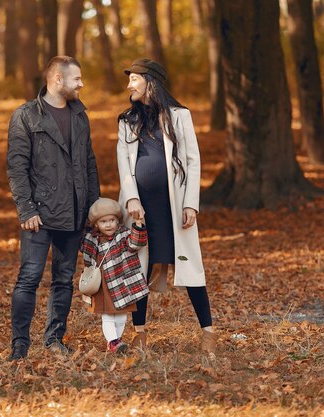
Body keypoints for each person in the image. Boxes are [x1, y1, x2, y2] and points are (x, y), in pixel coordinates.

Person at [116, 58, 218, 356]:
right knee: (139, 269)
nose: (129, 85)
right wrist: (132, 198)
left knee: (191, 268)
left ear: (150, 82)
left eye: (133, 79)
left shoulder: (179, 116)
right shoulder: (127, 121)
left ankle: (208, 334)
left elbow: (192, 161)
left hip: (174, 206)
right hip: (140, 209)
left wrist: (191, 204)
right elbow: (124, 164)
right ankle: (140, 334)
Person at [6, 56, 100, 361]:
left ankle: (54, 338)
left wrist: (93, 208)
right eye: (77, 79)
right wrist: (26, 209)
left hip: (74, 212)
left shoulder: (80, 116)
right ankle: (20, 344)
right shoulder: (25, 116)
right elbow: (17, 167)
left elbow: (89, 164)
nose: (82, 84)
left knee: (63, 279)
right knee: (29, 278)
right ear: (57, 79)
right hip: (39, 215)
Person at [80, 198, 149, 354]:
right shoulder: (92, 239)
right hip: (103, 285)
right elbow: (85, 254)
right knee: (108, 316)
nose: (109, 224)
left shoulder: (123, 234)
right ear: (96, 224)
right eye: (104, 221)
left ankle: (116, 343)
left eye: (112, 220)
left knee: (121, 316)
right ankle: (113, 341)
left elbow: (136, 244)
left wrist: (138, 225)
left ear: (117, 220)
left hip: (122, 283)